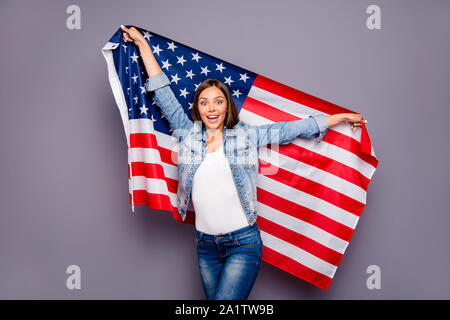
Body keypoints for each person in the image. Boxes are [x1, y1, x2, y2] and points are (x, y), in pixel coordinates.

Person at [120, 25, 365, 300]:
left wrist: (338, 119)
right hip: (205, 247)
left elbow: (289, 129)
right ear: (197, 108)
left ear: (227, 106)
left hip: (243, 244)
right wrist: (142, 44)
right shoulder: (188, 135)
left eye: (218, 101)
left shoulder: (245, 136)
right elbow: (162, 91)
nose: (211, 108)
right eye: (204, 103)